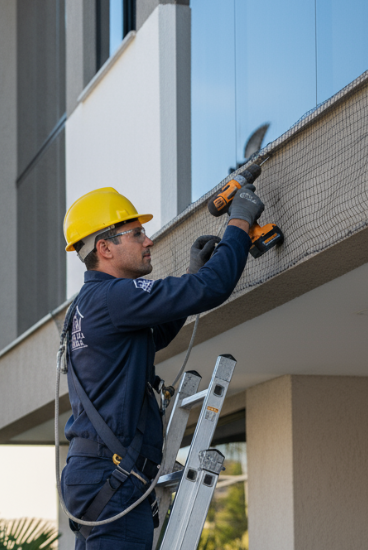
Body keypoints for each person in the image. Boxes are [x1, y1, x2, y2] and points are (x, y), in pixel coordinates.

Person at [60, 184, 265, 549]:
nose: (148, 240)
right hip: (114, 475)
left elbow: (152, 336)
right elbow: (213, 287)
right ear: (104, 248)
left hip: (95, 475)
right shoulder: (114, 297)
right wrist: (239, 221)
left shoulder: (87, 305)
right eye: (136, 233)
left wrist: (190, 274)